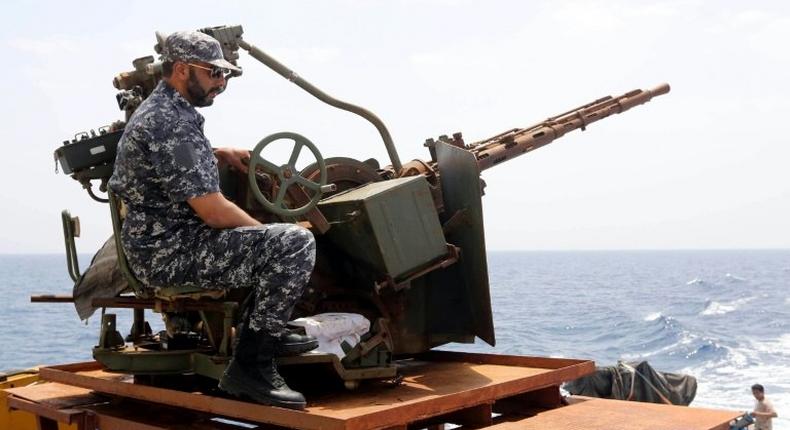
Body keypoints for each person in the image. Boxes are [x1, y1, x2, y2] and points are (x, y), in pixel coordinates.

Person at [108, 30, 317, 410]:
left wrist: (218, 152)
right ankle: (251, 365)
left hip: (164, 243)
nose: (221, 83)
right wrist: (270, 238)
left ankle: (260, 332)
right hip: (169, 253)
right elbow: (213, 211)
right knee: (294, 244)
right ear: (182, 69)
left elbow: (174, 162)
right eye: (214, 74)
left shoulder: (165, 112)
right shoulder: (169, 122)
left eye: (227, 75)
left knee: (278, 242)